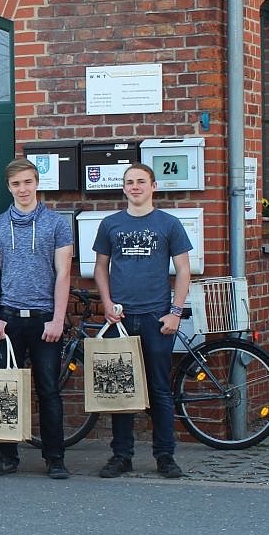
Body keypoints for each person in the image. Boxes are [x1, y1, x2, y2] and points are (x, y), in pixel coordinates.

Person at [93, 162, 193, 480]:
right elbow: (100, 268)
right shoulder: (110, 224)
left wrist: (175, 312)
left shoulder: (169, 224)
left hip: (156, 318)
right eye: (129, 182)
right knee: (120, 390)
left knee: (160, 390)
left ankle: (165, 456)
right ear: (123, 188)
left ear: (153, 186)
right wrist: (106, 303)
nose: (135, 186)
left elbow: (184, 270)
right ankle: (121, 455)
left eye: (140, 181)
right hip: (120, 318)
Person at [0, 158, 74, 479]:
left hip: (45, 318)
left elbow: (63, 274)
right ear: (9, 187)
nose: (23, 189)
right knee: (5, 390)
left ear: (37, 183)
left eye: (28, 182)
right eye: (16, 184)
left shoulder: (57, 224)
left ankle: (55, 458)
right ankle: (6, 457)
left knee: (48, 390)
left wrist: (58, 319)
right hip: (8, 319)